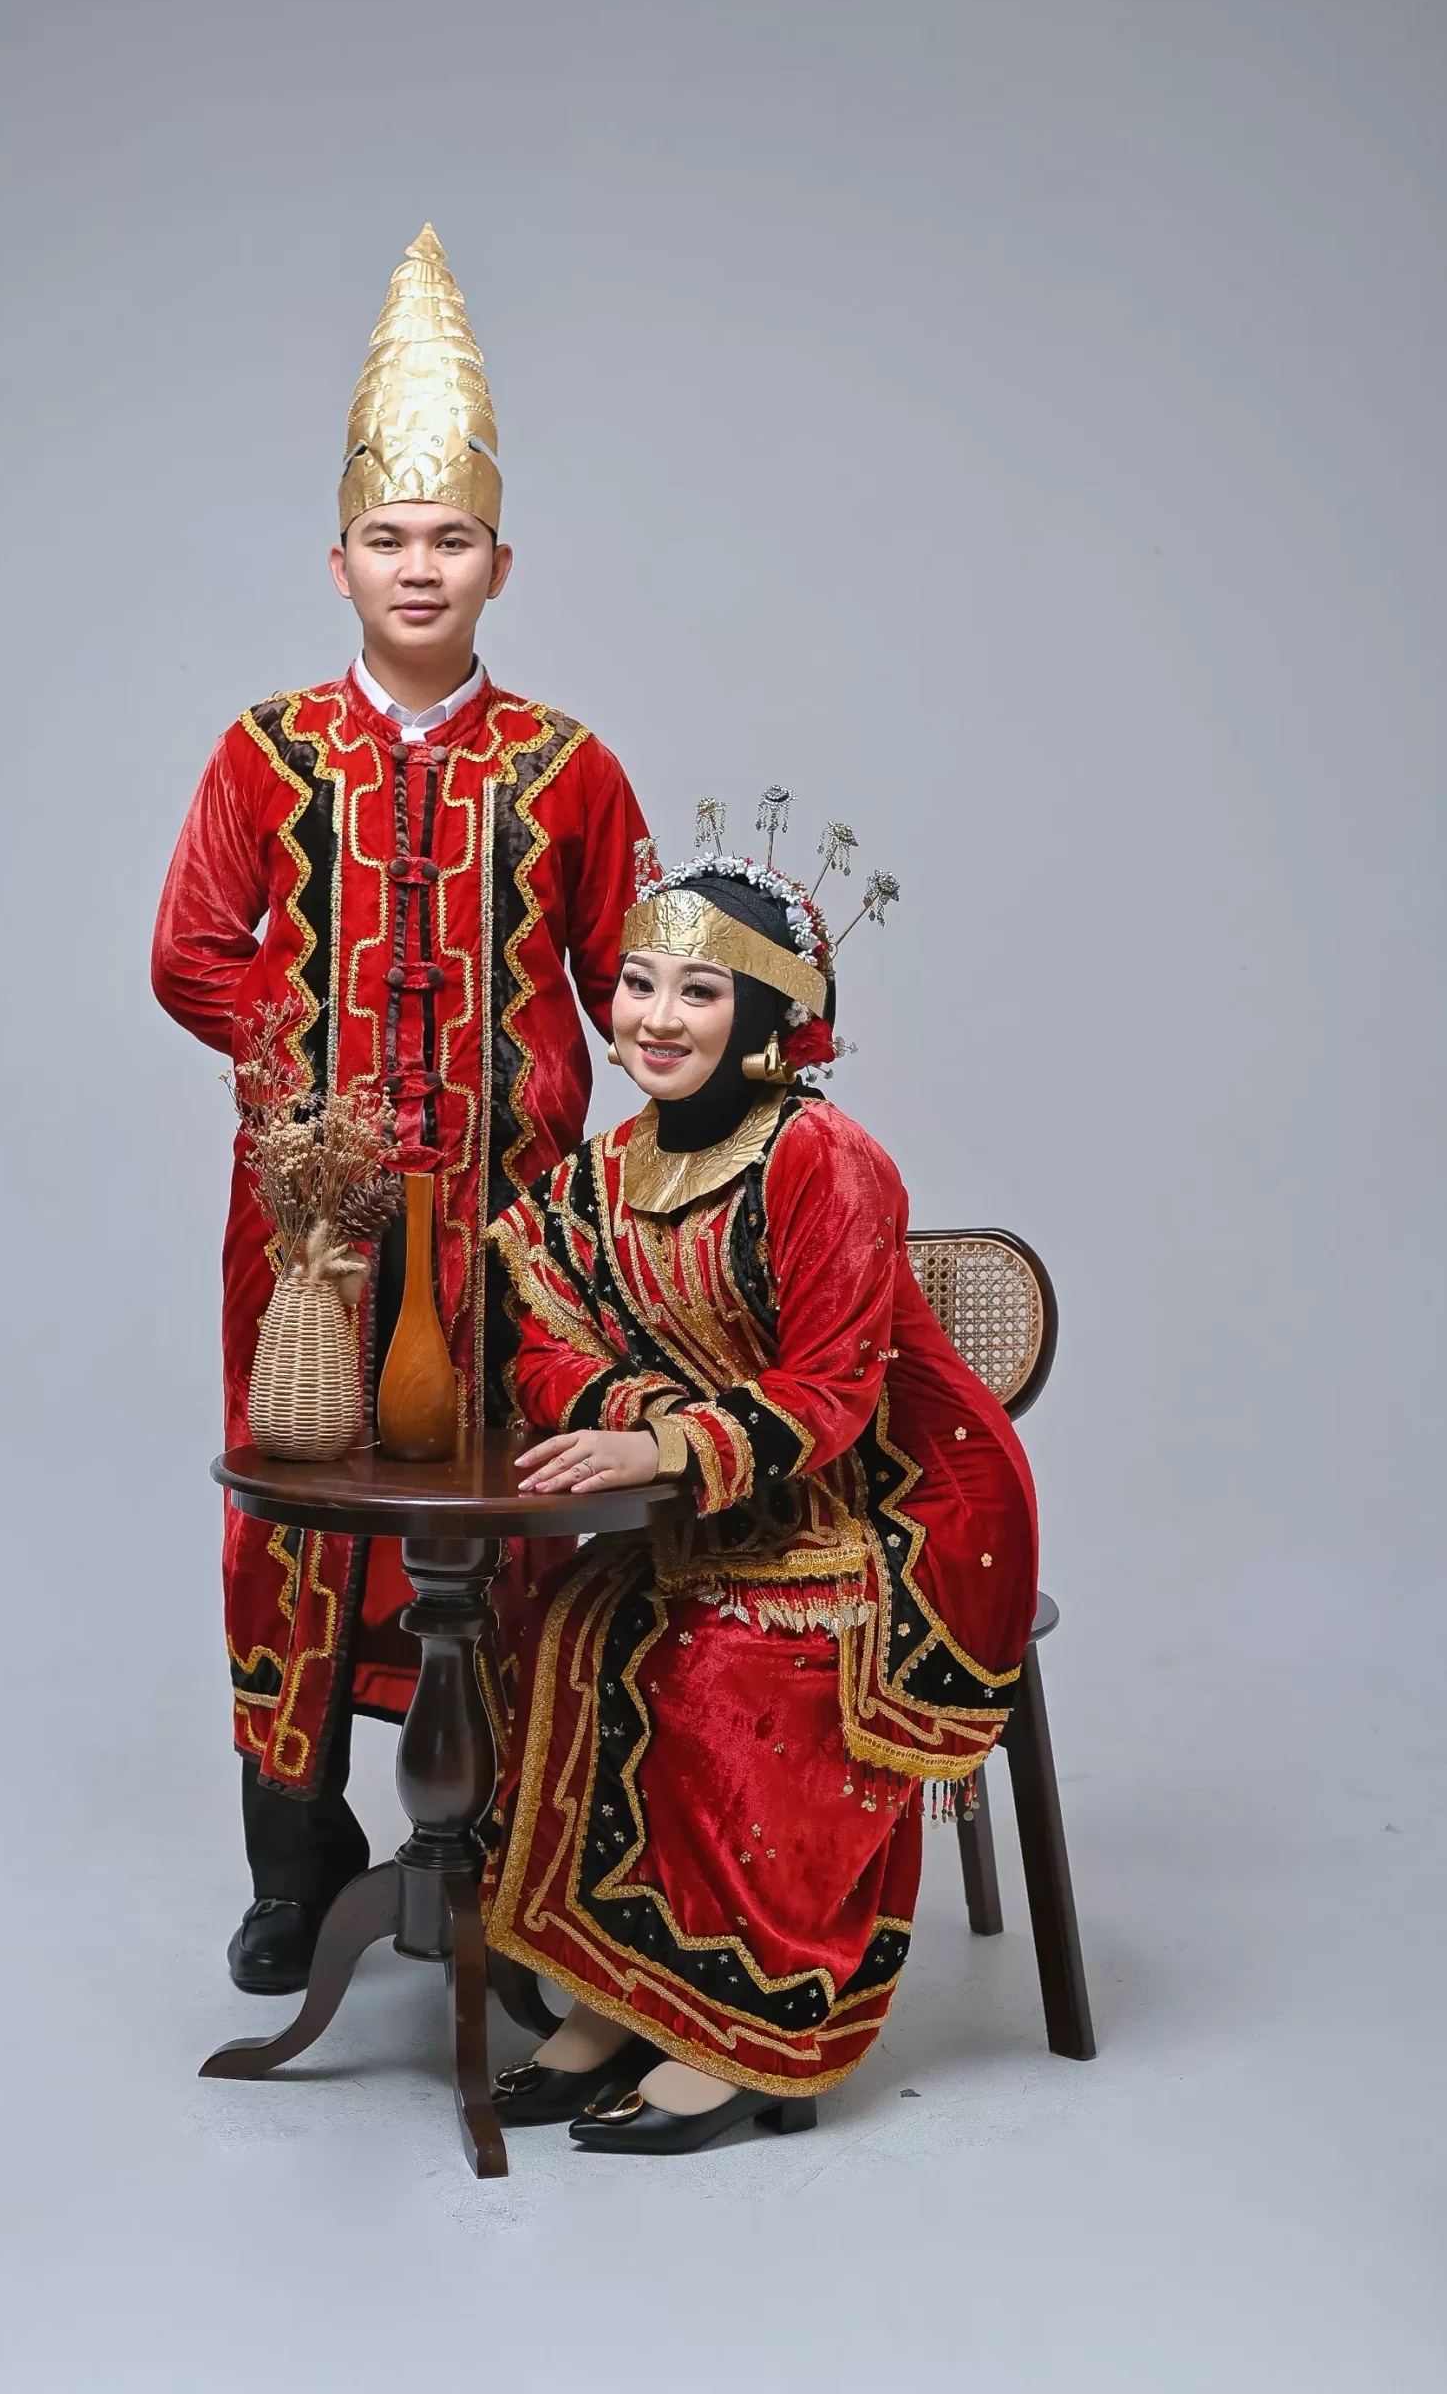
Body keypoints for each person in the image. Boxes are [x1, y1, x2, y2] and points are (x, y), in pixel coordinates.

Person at [152, 226, 648, 1994]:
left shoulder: (567, 764)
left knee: (501, 1514)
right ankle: (298, 1865)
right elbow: (191, 951)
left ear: (500, 562)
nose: (417, 567)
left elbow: (636, 977)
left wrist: (742, 1046)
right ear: (338, 560)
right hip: (310, 1229)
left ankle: (502, 1866)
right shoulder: (265, 750)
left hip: (517, 1226)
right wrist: (320, 1110)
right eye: (388, 539)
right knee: (294, 1510)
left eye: (449, 540)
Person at [481, 835, 1038, 2153]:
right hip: (711, 1505)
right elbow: (537, 1333)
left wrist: (666, 1449)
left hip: (890, 1509)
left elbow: (834, 1388)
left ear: (769, 1018)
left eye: (699, 991)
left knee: (716, 1671)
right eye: (637, 983)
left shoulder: (824, 1159)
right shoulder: (604, 1171)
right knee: (549, 1628)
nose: (655, 1017)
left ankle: (741, 2023)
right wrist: (641, 1423)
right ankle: (617, 1997)